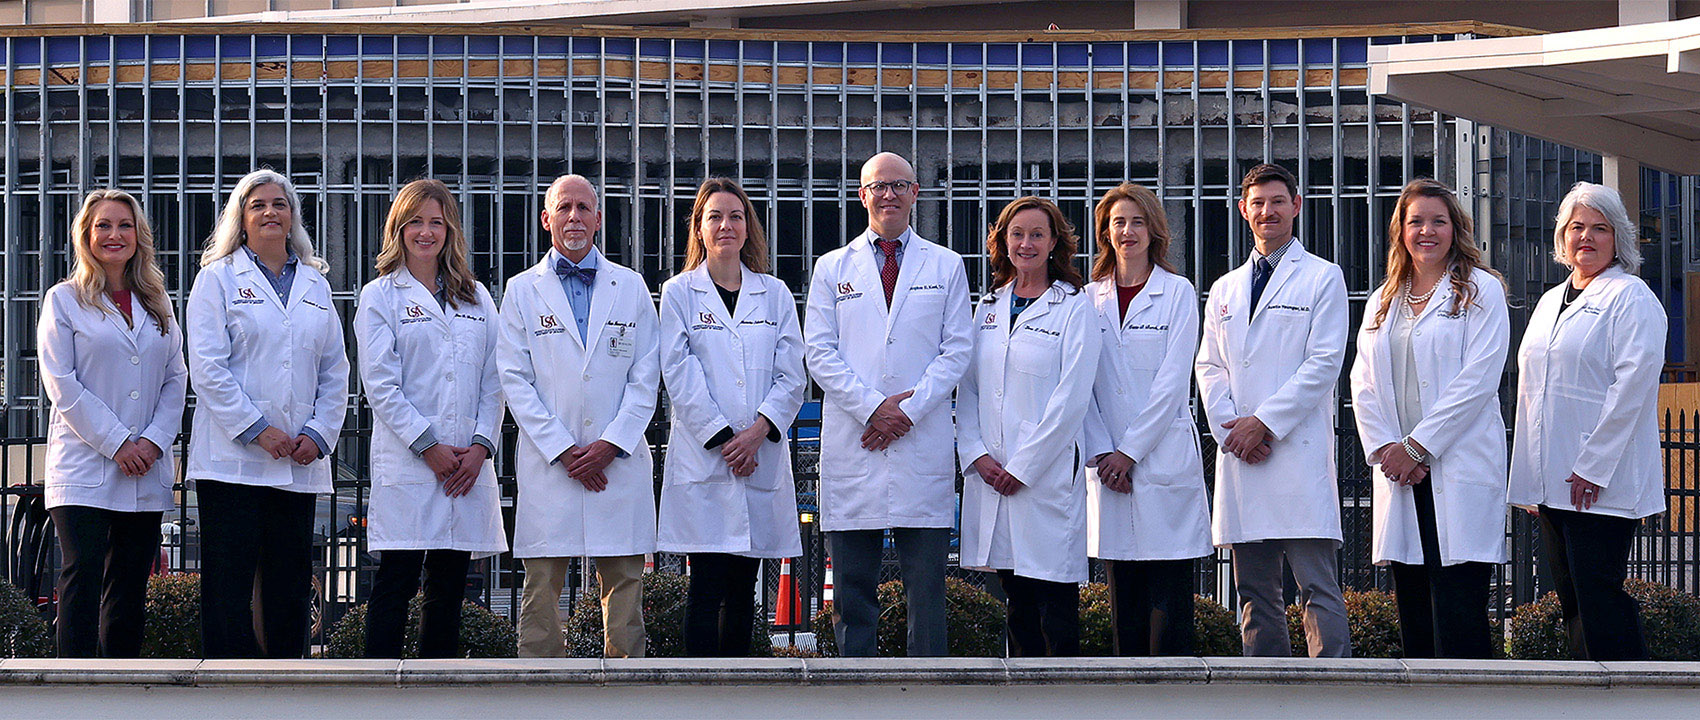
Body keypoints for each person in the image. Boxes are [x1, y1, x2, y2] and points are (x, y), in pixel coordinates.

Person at [804, 152, 973, 657]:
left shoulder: (946, 265)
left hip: (920, 446)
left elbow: (958, 349)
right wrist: (874, 408)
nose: (889, 194)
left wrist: (908, 412)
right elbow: (819, 351)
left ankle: (931, 699)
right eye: (878, 186)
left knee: (927, 593)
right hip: (856, 444)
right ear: (863, 196)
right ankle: (856, 698)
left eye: (899, 185)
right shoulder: (832, 267)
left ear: (916, 193)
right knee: (852, 596)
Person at [186, 169, 350, 658]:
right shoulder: (216, 279)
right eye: (257, 205)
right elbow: (209, 368)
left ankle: (286, 690)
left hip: (297, 462)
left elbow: (336, 370)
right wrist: (258, 431)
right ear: (241, 217)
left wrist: (318, 435)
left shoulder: (315, 285)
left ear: (292, 216)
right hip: (233, 464)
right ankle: (225, 694)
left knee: (289, 588)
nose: (270, 212)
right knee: (228, 589)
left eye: (280, 204)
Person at [498, 174, 660, 659]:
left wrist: (610, 444)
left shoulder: (630, 288)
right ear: (546, 219)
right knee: (542, 587)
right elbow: (515, 380)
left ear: (598, 219)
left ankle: (628, 699)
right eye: (563, 207)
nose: (574, 216)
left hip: (618, 463)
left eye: (583, 207)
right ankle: (536, 697)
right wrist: (565, 450)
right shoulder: (521, 291)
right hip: (553, 466)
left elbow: (646, 375)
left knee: (626, 585)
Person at [1349, 179, 1510, 659]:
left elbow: (1479, 380)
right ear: (1401, 230)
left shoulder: (1481, 290)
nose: (1426, 231)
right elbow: (1363, 381)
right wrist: (1387, 451)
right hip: (1401, 474)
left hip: (1456, 468)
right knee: (1415, 614)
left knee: (1459, 613)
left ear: (1455, 228)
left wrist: (1418, 447)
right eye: (1415, 221)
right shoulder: (1384, 298)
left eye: (1438, 221)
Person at [1195, 163, 1351, 658]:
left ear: (1297, 205)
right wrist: (1232, 432)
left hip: (1294, 452)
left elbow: (1324, 363)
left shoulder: (1324, 278)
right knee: (1254, 594)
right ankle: (1269, 698)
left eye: (1278, 201)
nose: (1268, 211)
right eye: (1258, 203)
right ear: (1243, 210)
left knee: (1317, 590)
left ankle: (1335, 697)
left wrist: (1262, 424)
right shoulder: (1224, 288)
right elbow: (1209, 365)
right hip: (1243, 456)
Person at [1509, 181, 1667, 661]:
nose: (1587, 238)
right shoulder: (1550, 299)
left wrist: (1592, 466)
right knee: (1573, 599)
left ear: (1618, 238)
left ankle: (1630, 699)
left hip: (1598, 480)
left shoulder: (1632, 296)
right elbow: (1534, 391)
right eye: (1577, 227)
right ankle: (1588, 696)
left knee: (1600, 595)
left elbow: (1633, 388)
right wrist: (1532, 480)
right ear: (1562, 237)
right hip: (1554, 482)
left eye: (1600, 228)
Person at [355, 179, 508, 659]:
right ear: (399, 229)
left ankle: (437, 694)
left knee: (449, 588)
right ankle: (376, 695)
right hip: (412, 464)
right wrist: (429, 446)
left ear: (450, 230)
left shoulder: (477, 297)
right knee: (396, 581)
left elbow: (495, 377)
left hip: (465, 465)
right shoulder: (381, 296)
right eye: (416, 221)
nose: (426, 232)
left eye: (436, 222)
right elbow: (380, 384)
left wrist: (480, 446)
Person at [657, 178, 807, 657]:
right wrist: (727, 439)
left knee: (745, 591)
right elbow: (678, 374)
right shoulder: (679, 293)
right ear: (699, 228)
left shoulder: (776, 294)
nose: (726, 225)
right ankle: (698, 700)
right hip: (709, 461)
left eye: (736, 216)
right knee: (705, 589)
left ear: (748, 228)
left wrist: (758, 432)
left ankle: (742, 696)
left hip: (759, 455)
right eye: (715, 217)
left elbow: (792, 375)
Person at [37, 189, 187, 658]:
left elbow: (176, 377)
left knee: (128, 586)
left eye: (124, 225)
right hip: (85, 466)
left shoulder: (157, 302)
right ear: (86, 236)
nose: (114, 235)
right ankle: (72, 690)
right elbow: (61, 382)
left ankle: (120, 689)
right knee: (82, 578)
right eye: (103, 225)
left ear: (138, 236)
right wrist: (119, 442)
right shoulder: (63, 301)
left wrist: (153, 442)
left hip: (144, 467)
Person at [957, 196, 1100, 657]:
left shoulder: (1075, 307)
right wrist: (978, 456)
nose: (1026, 243)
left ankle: (1066, 704)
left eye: (1037, 234)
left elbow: (1072, 397)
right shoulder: (988, 307)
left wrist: (1023, 466)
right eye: (1017, 234)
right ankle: (1021, 702)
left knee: (1054, 604)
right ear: (1002, 242)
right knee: (1015, 600)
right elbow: (970, 390)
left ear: (1055, 242)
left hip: (1043, 478)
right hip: (993, 475)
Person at [1081, 183, 1210, 656]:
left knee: (1168, 605)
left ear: (1153, 230)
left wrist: (1129, 452)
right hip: (1110, 471)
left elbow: (1173, 384)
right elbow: (1081, 386)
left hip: (1158, 462)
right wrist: (1103, 454)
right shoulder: (1086, 298)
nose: (1127, 231)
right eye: (1118, 222)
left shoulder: (1177, 293)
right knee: (1124, 605)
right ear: (1105, 232)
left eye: (1137, 221)